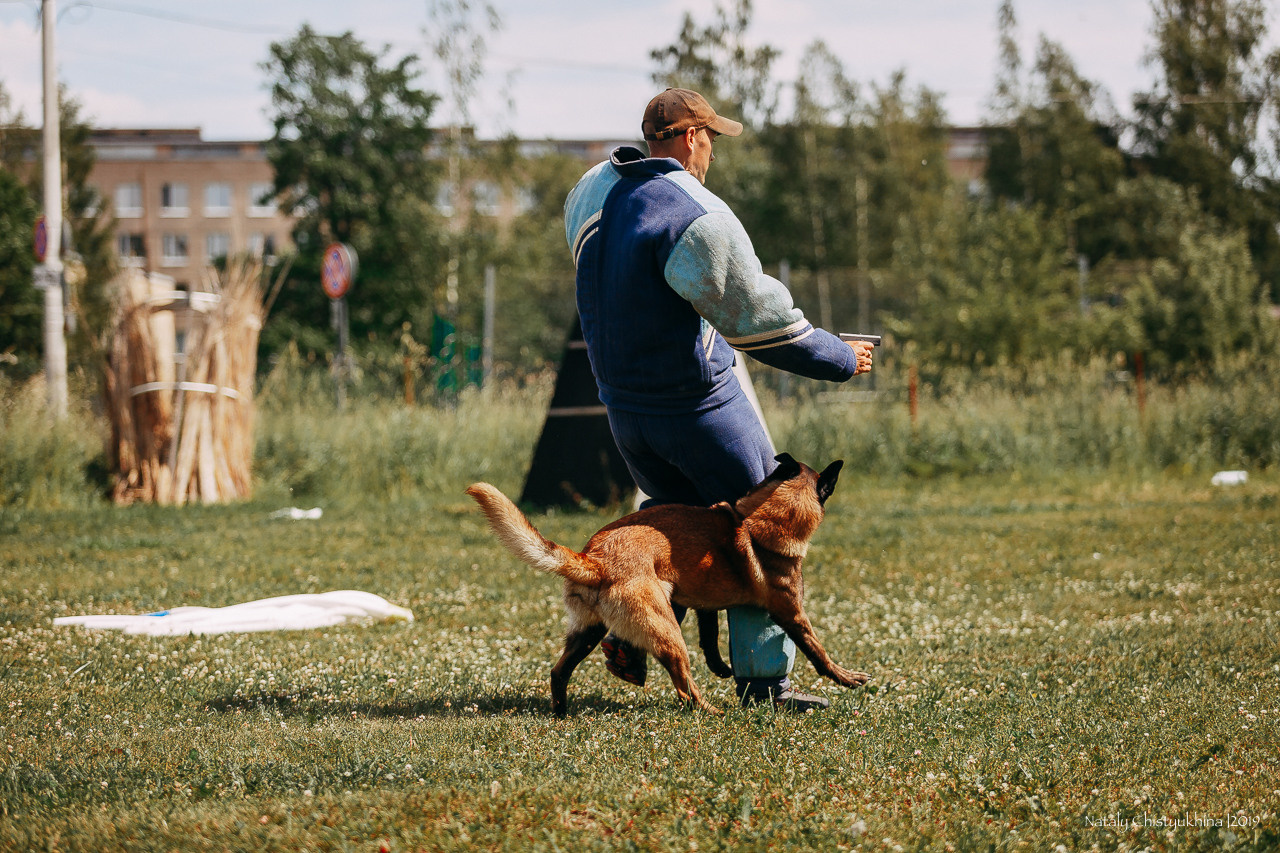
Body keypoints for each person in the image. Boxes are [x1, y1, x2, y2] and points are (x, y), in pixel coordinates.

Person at [563, 88, 874, 712]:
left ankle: (629, 632)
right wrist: (840, 356)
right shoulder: (696, 214)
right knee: (757, 537)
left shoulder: (590, 190)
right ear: (689, 138)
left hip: (625, 410)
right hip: (698, 408)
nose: (710, 154)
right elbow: (758, 321)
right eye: (710, 139)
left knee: (671, 532)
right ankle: (766, 685)